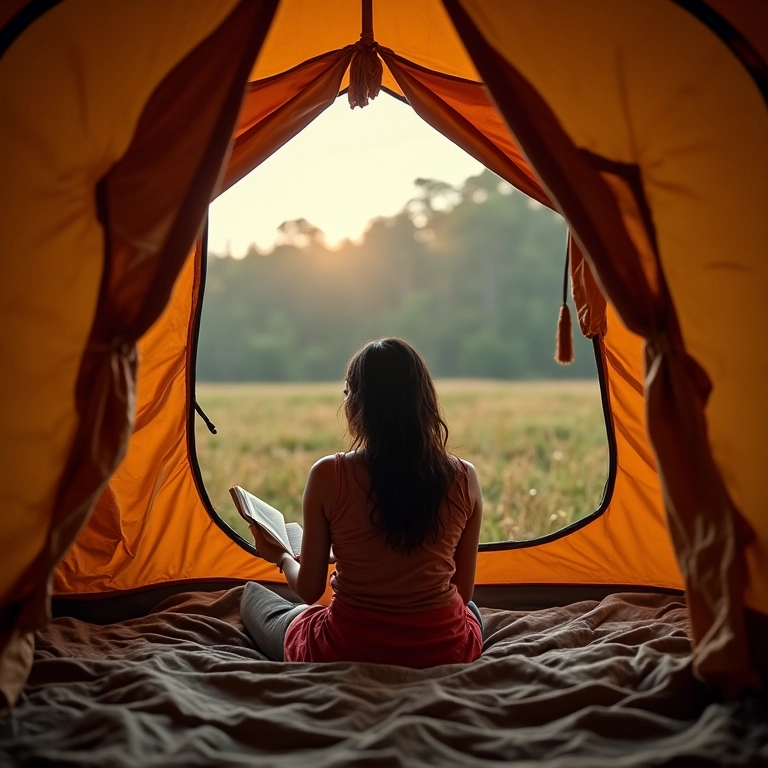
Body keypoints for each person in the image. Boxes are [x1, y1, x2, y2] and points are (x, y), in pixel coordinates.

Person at [240, 338, 484, 667]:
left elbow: (311, 590)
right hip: (444, 649)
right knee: (471, 610)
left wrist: (282, 557)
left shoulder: (329, 474)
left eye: (347, 393)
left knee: (251, 597)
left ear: (358, 404)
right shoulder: (464, 478)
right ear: (423, 400)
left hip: (348, 647)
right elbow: (463, 593)